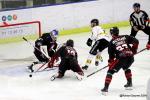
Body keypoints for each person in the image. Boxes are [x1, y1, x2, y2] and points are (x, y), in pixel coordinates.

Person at [101, 27, 139, 94]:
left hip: (122, 58)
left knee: (110, 71)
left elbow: (111, 56)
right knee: (126, 67)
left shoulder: (111, 42)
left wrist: (110, 63)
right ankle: (129, 84)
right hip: (131, 57)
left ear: (111, 33)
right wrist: (134, 50)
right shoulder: (125, 36)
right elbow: (136, 41)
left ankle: (105, 88)